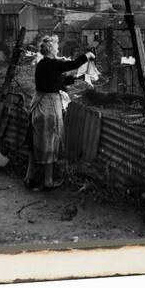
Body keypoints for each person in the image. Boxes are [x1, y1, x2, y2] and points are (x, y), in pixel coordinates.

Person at [24, 35, 96, 190]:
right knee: (50, 142)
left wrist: (79, 77)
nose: (58, 49)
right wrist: (88, 55)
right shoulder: (51, 63)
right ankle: (48, 181)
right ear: (51, 49)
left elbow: (58, 80)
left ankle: (29, 178)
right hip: (48, 108)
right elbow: (74, 64)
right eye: (56, 46)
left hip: (39, 106)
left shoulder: (43, 64)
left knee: (35, 142)